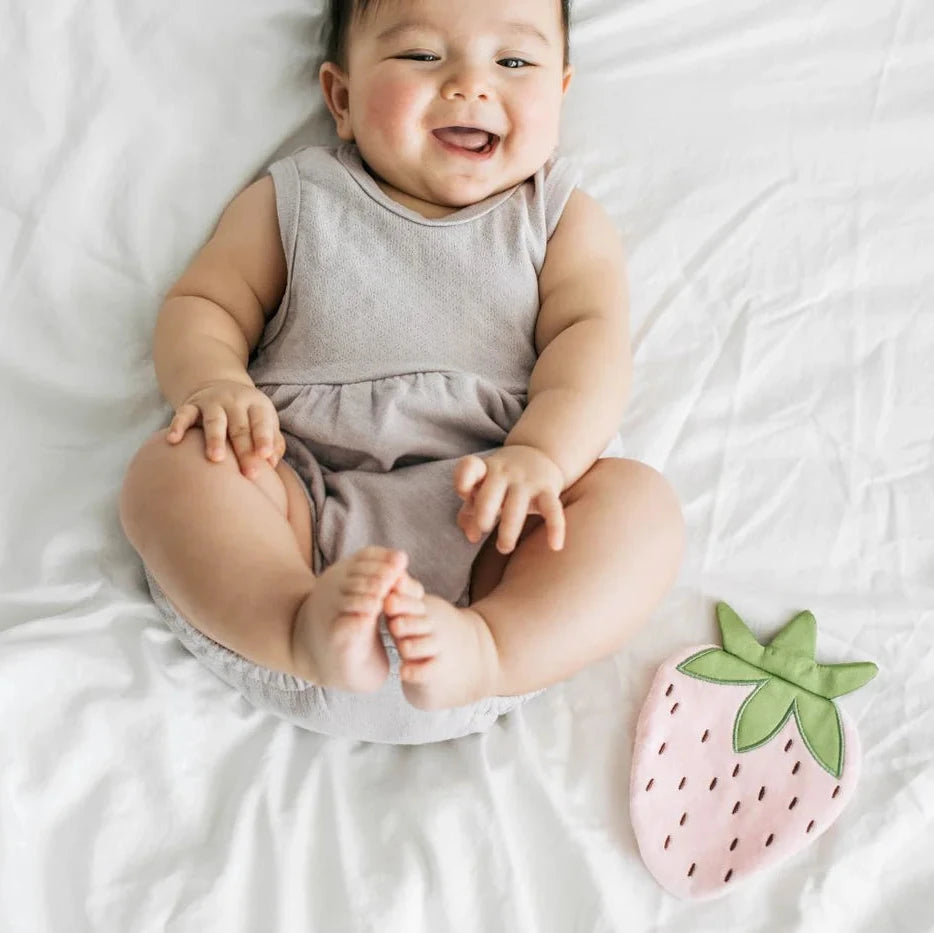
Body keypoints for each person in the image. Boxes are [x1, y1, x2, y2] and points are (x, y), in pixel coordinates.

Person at [118, 0, 685, 743]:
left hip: (494, 528)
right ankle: (296, 623)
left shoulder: (557, 217)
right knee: (173, 466)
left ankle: (492, 648)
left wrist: (542, 453)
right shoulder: (296, 197)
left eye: (513, 62)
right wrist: (213, 382)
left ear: (562, 93)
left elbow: (592, 343)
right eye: (422, 56)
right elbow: (204, 303)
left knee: (640, 507)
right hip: (296, 502)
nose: (470, 85)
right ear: (342, 99)